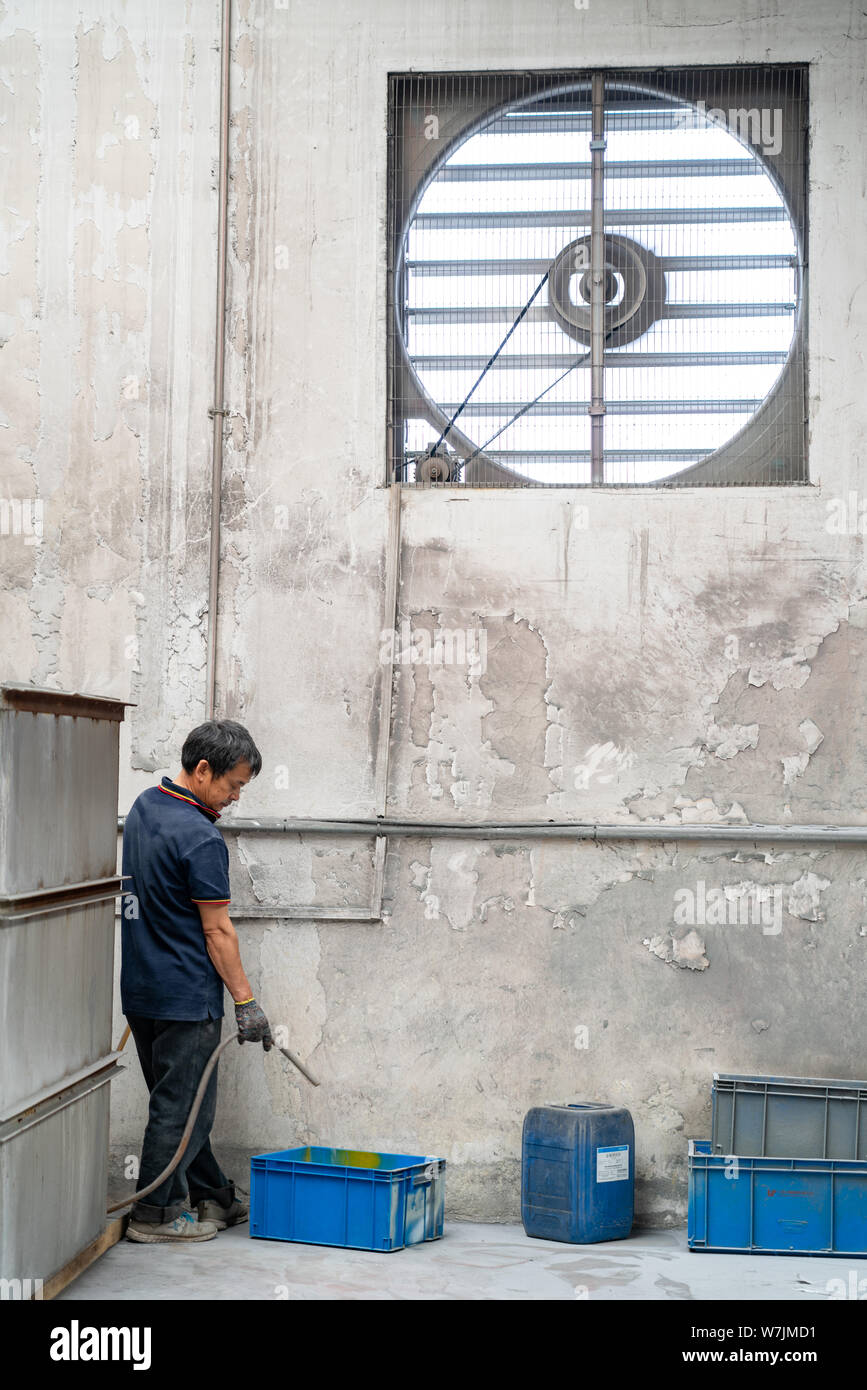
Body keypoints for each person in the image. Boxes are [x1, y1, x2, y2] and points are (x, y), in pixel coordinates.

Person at [120, 719, 273, 1244]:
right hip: (186, 998)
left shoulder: (144, 807)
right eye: (233, 785)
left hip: (140, 993)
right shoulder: (203, 837)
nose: (234, 797)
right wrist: (246, 1002)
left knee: (182, 1103)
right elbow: (217, 930)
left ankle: (215, 1197)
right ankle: (154, 1216)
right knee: (181, 1109)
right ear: (203, 770)